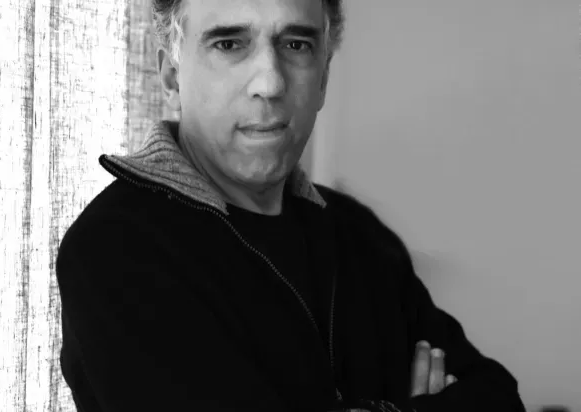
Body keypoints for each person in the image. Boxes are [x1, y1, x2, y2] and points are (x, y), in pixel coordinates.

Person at [55, 0, 526, 411]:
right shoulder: (114, 247)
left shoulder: (358, 232)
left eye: (296, 44)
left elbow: (499, 396)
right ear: (172, 76)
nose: (270, 82)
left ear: (323, 78)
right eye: (229, 44)